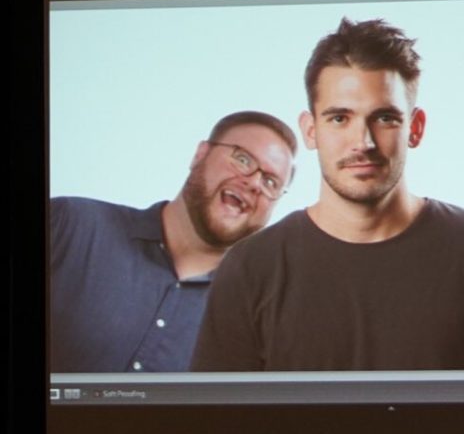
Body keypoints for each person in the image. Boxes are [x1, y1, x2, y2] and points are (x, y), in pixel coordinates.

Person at [192, 19, 464, 371]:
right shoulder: (250, 267)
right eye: (339, 118)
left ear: (415, 128)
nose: (363, 142)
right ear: (310, 130)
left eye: (384, 118)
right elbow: (218, 425)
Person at [50, 111, 297, 372]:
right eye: (242, 159)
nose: (255, 183)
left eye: (271, 182)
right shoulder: (70, 225)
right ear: (200, 155)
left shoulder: (256, 320)